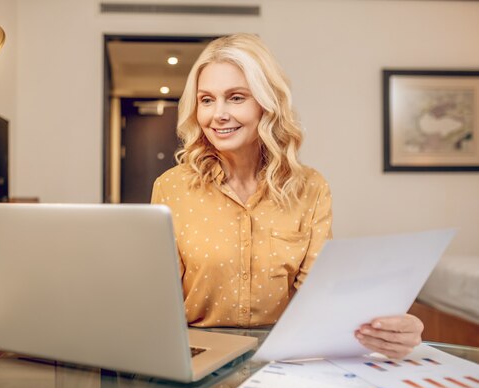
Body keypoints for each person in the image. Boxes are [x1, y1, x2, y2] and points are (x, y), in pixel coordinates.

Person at [150, 33, 423, 358]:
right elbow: (157, 301)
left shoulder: (310, 188)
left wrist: (386, 328)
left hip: (281, 360)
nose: (218, 114)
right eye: (207, 100)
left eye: (236, 97)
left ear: (267, 104)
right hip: (194, 359)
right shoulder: (172, 188)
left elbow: (320, 298)